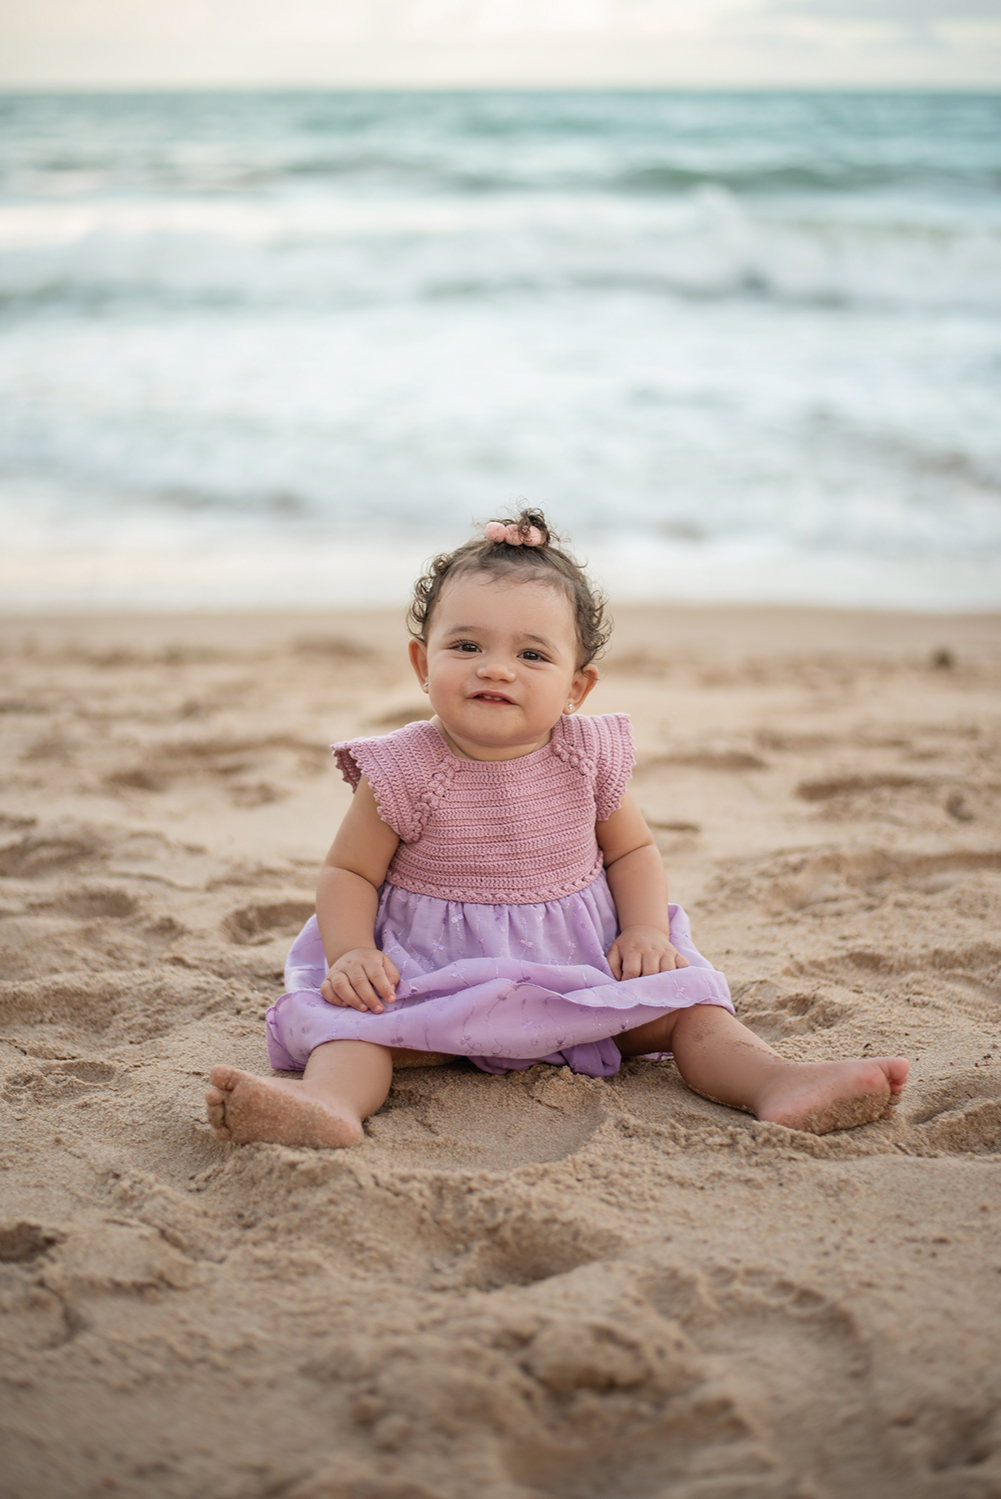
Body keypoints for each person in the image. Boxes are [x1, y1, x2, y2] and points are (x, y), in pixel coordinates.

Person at [206, 510, 908, 1149]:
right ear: (423, 662)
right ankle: (328, 1102)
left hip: (578, 976)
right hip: (428, 981)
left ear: (577, 685)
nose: (496, 667)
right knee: (351, 1034)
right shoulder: (405, 766)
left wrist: (644, 933)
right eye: (466, 644)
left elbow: (632, 849)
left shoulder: (585, 756)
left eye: (533, 655)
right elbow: (349, 872)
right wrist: (352, 952)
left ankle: (775, 1081)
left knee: (693, 1009)